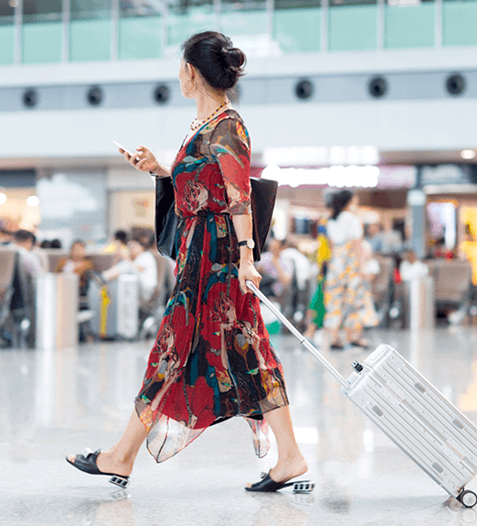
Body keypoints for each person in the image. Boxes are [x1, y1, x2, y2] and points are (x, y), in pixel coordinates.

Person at [67, 31, 307, 493]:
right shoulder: (206, 125)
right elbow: (205, 187)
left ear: (191, 73)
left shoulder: (228, 126)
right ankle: (291, 456)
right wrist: (161, 170)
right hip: (202, 255)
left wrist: (246, 257)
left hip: (216, 261)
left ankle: (121, 455)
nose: (179, 73)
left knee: (178, 351)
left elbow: (238, 197)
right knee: (247, 351)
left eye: (180, 66)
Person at [323, 190, 378, 350]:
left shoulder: (331, 220)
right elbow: (356, 244)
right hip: (350, 263)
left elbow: (331, 245)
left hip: (336, 263)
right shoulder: (353, 219)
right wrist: (361, 266)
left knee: (334, 299)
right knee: (355, 298)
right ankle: (353, 336)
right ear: (349, 201)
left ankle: (333, 337)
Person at [102, 233, 159, 304]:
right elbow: (116, 269)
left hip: (146, 291)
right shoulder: (132, 260)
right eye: (129, 247)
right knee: (124, 268)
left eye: (133, 247)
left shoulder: (146, 256)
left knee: (127, 266)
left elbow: (138, 269)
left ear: (141, 247)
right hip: (133, 290)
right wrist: (116, 258)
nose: (130, 249)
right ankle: (104, 278)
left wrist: (125, 257)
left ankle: (103, 277)